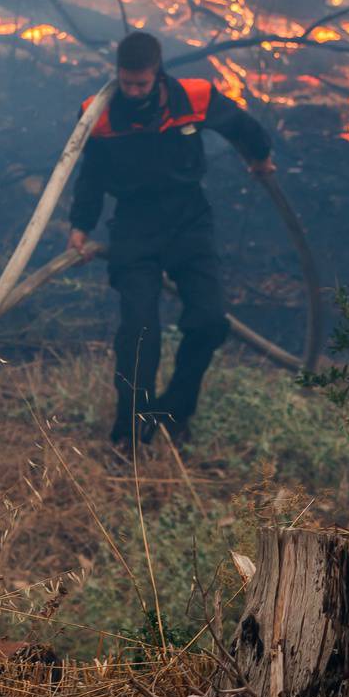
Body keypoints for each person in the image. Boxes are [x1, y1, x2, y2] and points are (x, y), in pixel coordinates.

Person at [68, 31, 275, 456]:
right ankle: (129, 433)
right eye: (126, 83)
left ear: (157, 75)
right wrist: (80, 225)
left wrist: (259, 156)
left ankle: (173, 414)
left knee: (210, 321)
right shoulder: (98, 114)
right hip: (134, 225)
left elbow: (240, 124)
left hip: (188, 220)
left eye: (141, 84)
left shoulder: (194, 98)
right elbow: (89, 174)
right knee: (140, 332)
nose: (133, 91)